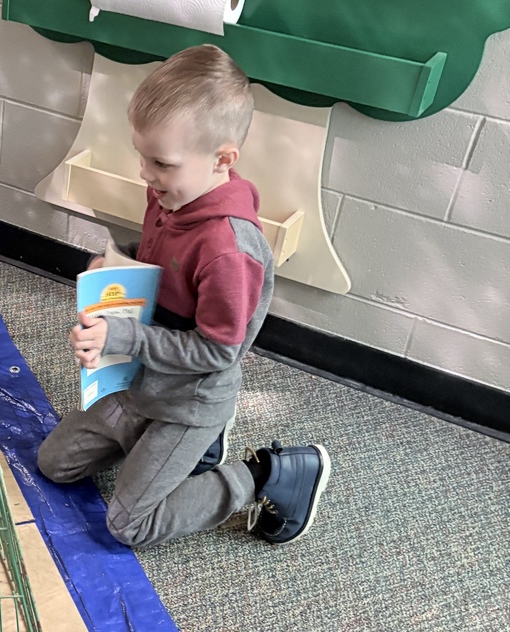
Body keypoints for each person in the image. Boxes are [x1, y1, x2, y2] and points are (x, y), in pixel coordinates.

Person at [37, 44, 331, 549]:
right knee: (55, 464)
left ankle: (263, 475)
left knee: (128, 524)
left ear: (223, 159)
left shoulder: (229, 252)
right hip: (142, 383)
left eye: (161, 163)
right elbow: (157, 258)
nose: (145, 175)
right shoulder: (170, 195)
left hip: (190, 400)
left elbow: (218, 351)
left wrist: (123, 336)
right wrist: (115, 261)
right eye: (142, 156)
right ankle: (167, 454)